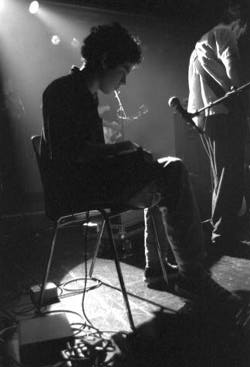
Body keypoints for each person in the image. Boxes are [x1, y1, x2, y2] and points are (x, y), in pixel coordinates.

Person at [40, 22, 241, 310]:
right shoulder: (60, 92)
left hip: (91, 183)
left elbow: (88, 155)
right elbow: (68, 156)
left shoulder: (85, 94)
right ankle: (193, 276)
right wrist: (122, 150)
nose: (123, 83)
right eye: (123, 72)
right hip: (77, 191)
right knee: (171, 171)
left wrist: (129, 158)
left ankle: (157, 267)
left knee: (159, 170)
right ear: (106, 60)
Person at [187, 0, 249, 254]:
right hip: (224, 116)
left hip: (208, 119)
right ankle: (223, 236)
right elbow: (232, 64)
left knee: (221, 177)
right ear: (239, 22)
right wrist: (242, 89)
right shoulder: (223, 34)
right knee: (230, 176)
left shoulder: (200, 43)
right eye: (246, 29)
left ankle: (221, 232)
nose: (245, 35)